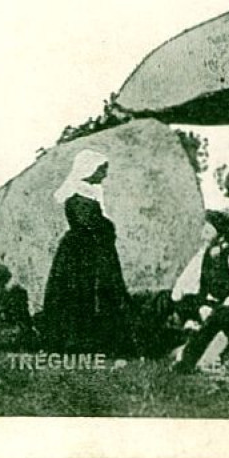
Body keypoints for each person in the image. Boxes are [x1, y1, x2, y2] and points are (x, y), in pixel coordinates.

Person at [39, 148, 136, 356]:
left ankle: (101, 341)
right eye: (102, 169)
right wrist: (107, 227)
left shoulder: (93, 191)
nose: (105, 174)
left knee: (102, 292)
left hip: (97, 249)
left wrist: (106, 229)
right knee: (79, 291)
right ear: (89, 169)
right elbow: (89, 223)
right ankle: (76, 341)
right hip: (80, 251)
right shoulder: (77, 193)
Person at [171, 211, 229, 372]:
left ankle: (187, 361)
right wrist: (201, 305)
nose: (203, 235)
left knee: (216, 317)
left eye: (208, 231)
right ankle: (185, 335)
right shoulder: (207, 255)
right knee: (183, 301)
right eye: (204, 230)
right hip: (217, 304)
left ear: (221, 234)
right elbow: (196, 285)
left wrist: (218, 308)